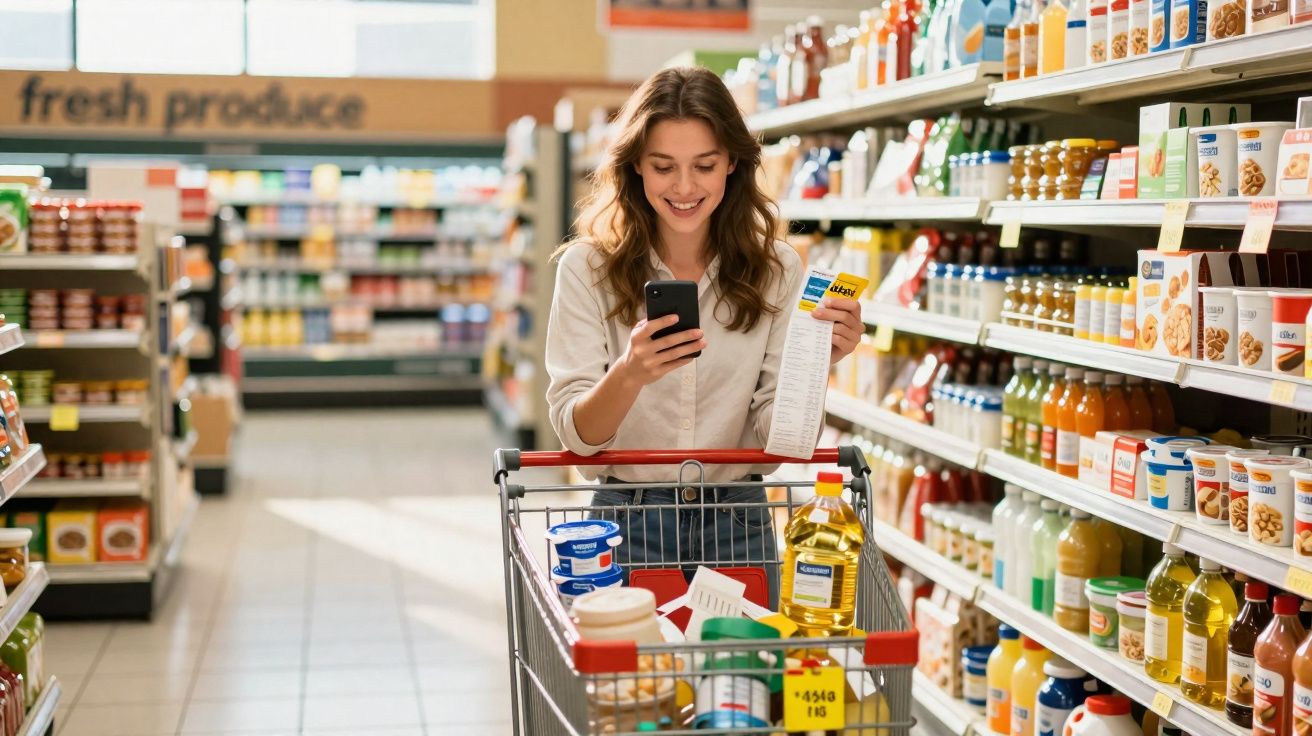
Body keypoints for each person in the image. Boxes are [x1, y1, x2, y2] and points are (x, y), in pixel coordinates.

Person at [544, 66, 862, 601]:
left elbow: (775, 438)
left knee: (741, 681)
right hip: (627, 525)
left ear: (732, 164)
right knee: (636, 685)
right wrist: (628, 375)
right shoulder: (586, 269)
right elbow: (575, 438)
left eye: (705, 166)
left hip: (738, 522)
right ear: (636, 168)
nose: (685, 187)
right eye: (664, 166)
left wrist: (815, 362)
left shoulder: (777, 270)